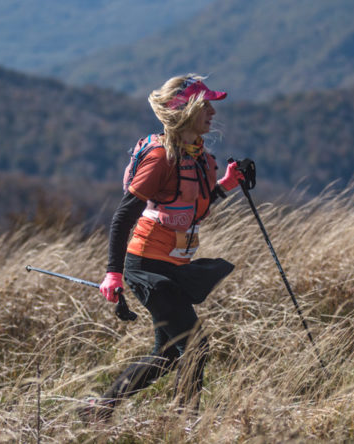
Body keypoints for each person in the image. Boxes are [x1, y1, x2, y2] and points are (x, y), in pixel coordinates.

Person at [82, 74, 248, 422]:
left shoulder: (201, 158)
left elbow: (190, 206)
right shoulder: (160, 158)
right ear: (185, 111)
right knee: (196, 345)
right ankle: (185, 425)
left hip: (175, 266)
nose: (213, 112)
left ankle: (100, 410)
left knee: (168, 352)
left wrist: (226, 185)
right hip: (146, 266)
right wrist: (113, 273)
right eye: (205, 105)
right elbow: (123, 216)